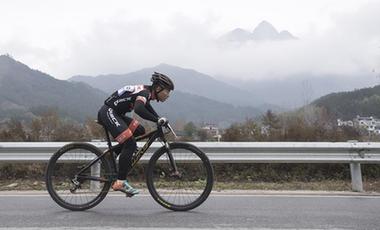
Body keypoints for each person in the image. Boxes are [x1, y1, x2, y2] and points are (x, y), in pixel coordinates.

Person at [97, 72, 174, 196]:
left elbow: (147, 108)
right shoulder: (145, 93)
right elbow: (139, 109)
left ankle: (112, 155)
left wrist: (159, 119)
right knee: (130, 144)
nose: (168, 95)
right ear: (158, 88)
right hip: (108, 112)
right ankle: (120, 182)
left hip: (116, 113)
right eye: (167, 91)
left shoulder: (147, 93)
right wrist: (157, 120)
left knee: (140, 130)